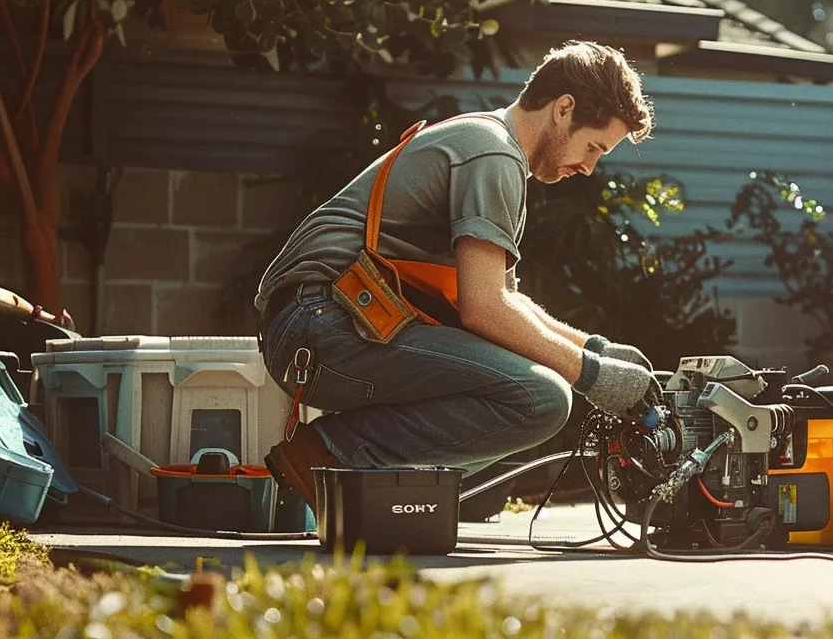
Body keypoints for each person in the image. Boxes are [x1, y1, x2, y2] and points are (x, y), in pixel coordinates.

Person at [252, 41, 661, 509]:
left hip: (321, 322)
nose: (589, 167)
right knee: (541, 397)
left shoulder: (489, 144)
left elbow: (506, 302)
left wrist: (593, 350)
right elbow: (484, 311)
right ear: (564, 109)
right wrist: (590, 376)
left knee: (533, 381)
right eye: (593, 147)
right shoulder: (493, 156)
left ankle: (368, 489)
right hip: (318, 324)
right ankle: (329, 457)